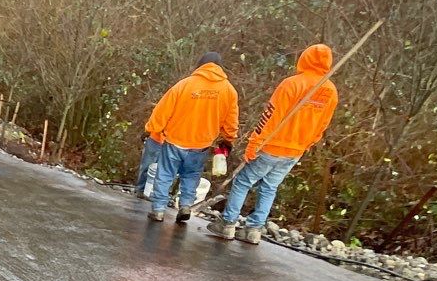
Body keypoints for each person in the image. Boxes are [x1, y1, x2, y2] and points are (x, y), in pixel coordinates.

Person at [212, 44, 338, 245]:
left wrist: (254, 143)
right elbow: (322, 125)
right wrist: (307, 144)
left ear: (305, 59)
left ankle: (227, 224)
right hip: (295, 150)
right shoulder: (330, 90)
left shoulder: (292, 84)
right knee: (270, 187)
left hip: (272, 146)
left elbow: (270, 115)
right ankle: (254, 229)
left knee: (243, 181)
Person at [144, 60, 238, 224]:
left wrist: (153, 128)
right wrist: (228, 138)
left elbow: (163, 109)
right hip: (201, 144)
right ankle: (186, 205)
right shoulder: (229, 90)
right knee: (191, 176)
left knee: (165, 174)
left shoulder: (185, 85)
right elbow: (231, 120)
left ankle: (158, 209)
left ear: (201, 66)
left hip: (175, 140)